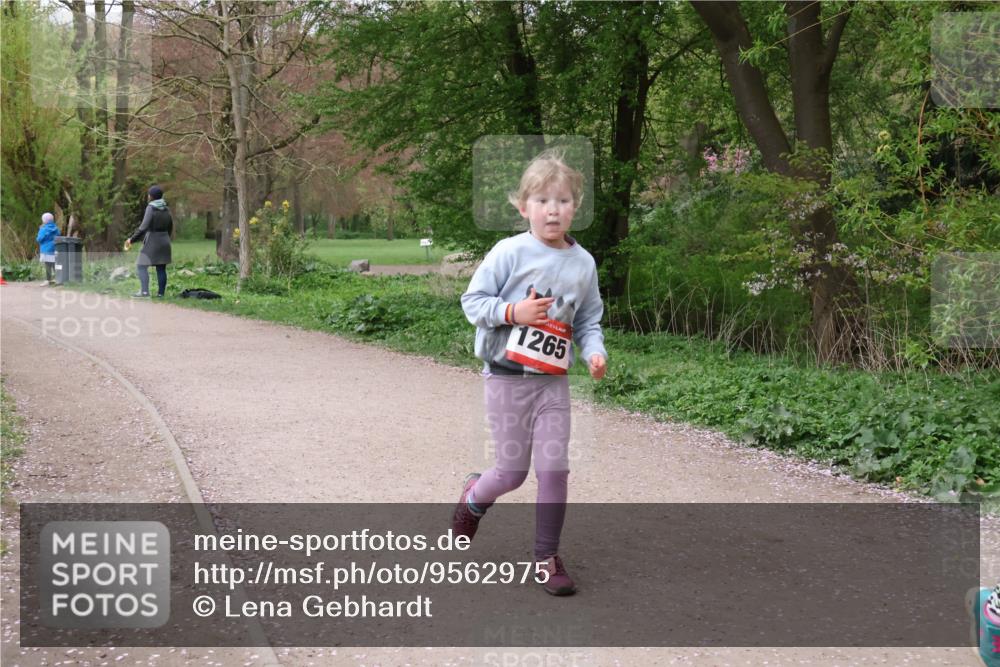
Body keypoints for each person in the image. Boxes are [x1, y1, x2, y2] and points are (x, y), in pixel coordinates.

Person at [456, 149, 607, 596]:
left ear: (575, 207)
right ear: (524, 207)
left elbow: (588, 321)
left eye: (562, 200)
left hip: (552, 383)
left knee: (555, 469)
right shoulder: (509, 252)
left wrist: (594, 352)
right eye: (542, 201)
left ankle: (546, 556)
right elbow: (472, 302)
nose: (552, 210)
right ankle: (473, 498)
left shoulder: (583, 263)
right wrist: (513, 312)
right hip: (506, 378)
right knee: (511, 473)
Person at [125, 185, 173, 298]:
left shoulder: (150, 208)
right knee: (161, 268)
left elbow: (143, 227)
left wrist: (131, 239)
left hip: (153, 240)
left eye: (148, 194)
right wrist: (166, 237)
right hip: (165, 240)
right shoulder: (166, 208)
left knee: (141, 265)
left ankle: (144, 292)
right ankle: (161, 294)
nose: (148, 196)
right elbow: (170, 226)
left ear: (151, 196)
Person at [36, 213, 60, 285]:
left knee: (47, 265)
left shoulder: (43, 229)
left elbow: (39, 239)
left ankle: (48, 280)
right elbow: (58, 235)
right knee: (55, 264)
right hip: (54, 248)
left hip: (46, 250)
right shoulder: (56, 228)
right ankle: (58, 278)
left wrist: (40, 231)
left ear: (44, 220)